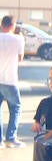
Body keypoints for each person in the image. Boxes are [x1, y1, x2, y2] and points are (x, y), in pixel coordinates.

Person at [0, 15, 24, 147]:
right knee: (15, 108)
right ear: (12, 25)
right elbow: (20, 58)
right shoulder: (17, 39)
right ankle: (11, 137)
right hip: (10, 79)